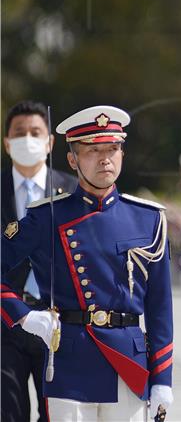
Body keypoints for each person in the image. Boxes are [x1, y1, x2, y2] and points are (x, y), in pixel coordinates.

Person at [1, 105, 173, 422]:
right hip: (70, 361)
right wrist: (24, 317)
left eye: (113, 148)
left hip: (128, 364)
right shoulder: (48, 215)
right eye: (93, 150)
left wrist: (162, 378)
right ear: (72, 159)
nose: (105, 158)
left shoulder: (148, 219)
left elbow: (160, 306)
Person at [1, 100, 77, 422]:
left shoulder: (73, 191)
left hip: (58, 324)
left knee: (56, 414)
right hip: (5, 323)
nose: (27, 139)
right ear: (7, 143)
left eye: (35, 132)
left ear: (50, 142)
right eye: (19, 133)